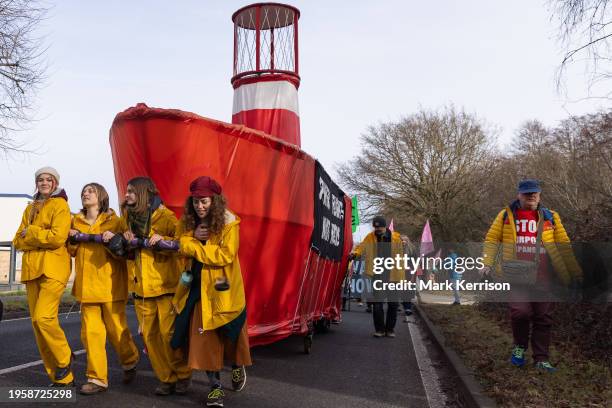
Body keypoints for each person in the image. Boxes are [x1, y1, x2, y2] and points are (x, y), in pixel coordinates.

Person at [102, 176, 191, 395]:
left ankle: (182, 374)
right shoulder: (126, 219)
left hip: (166, 285)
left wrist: (160, 240)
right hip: (141, 287)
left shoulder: (166, 217)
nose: (127, 195)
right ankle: (166, 379)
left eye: (131, 191)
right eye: (127, 191)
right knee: (150, 337)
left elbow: (183, 244)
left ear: (143, 193)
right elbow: (122, 249)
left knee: (169, 334)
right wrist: (122, 237)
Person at [481, 179, 582, 372]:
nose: (532, 196)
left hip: (545, 277)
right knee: (520, 313)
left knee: (543, 317)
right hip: (516, 276)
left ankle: (541, 359)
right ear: (519, 195)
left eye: (535, 193)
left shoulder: (551, 216)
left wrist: (575, 272)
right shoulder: (506, 216)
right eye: (527, 193)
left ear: (540, 195)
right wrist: (487, 263)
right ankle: (519, 347)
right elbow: (492, 239)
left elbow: (564, 246)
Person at [171, 176, 251, 408]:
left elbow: (224, 255)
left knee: (232, 335)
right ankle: (215, 387)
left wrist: (193, 246)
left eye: (204, 201)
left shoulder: (229, 223)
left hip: (224, 290)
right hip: (196, 289)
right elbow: (179, 243)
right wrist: (192, 239)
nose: (200, 206)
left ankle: (237, 366)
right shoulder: (187, 222)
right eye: (196, 201)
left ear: (214, 201)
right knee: (203, 340)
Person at [68, 183, 139, 394]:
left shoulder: (115, 221)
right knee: (91, 334)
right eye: (83, 191)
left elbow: (127, 250)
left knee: (117, 331)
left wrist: (115, 240)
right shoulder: (76, 221)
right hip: (86, 287)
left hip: (110, 284)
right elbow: (72, 251)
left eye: (90, 191)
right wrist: (72, 238)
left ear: (101, 196)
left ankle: (130, 360)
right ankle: (97, 379)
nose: (85, 194)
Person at [12, 167, 74, 386]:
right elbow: (17, 241)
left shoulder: (60, 205)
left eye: (49, 179)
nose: (44, 182)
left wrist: (33, 233)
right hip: (31, 270)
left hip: (53, 269)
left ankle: (65, 357)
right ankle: (62, 378)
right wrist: (34, 236)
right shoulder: (29, 208)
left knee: (43, 317)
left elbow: (57, 238)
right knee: (38, 327)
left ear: (55, 183)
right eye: (40, 179)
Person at [349, 216, 405, 338]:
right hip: (377, 275)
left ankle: (390, 330)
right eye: (376, 227)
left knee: (393, 304)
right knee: (377, 304)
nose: (377, 229)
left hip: (393, 275)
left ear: (385, 226)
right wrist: (355, 253)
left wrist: (405, 246)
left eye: (380, 227)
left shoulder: (396, 237)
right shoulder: (370, 237)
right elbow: (362, 247)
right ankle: (379, 329)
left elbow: (406, 251)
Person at [400, 235, 415, 322]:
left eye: (405, 240)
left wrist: (413, 272)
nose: (403, 242)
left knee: (407, 290)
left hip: (409, 273)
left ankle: (407, 308)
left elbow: (415, 262)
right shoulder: (397, 250)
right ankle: (403, 305)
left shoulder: (412, 250)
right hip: (399, 273)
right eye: (402, 240)